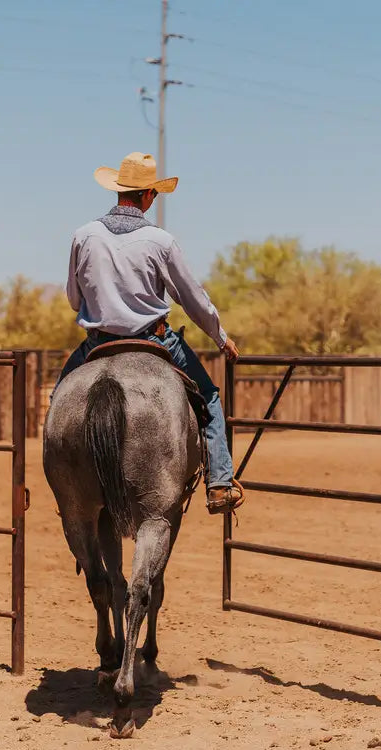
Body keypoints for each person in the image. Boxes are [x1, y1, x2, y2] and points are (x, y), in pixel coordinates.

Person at [54, 151, 244, 514]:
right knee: (210, 399)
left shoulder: (84, 235)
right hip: (154, 339)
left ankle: (68, 492)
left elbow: (72, 296)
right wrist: (220, 337)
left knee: (59, 403)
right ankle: (219, 483)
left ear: (118, 192)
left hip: (97, 342)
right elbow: (193, 299)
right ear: (148, 196)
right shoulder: (160, 241)